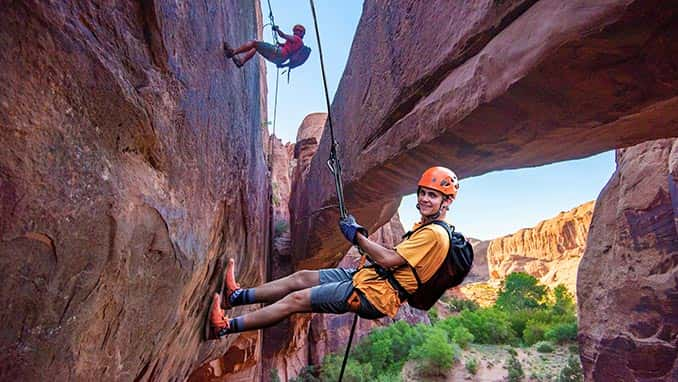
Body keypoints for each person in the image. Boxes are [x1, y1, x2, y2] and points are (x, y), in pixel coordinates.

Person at [208, 166, 460, 338]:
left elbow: (389, 259)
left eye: (434, 196)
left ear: (446, 201)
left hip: (374, 294)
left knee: (294, 301)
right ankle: (237, 296)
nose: (425, 199)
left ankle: (224, 327)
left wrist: (357, 236)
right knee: (302, 277)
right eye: (424, 193)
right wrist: (359, 236)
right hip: (371, 279)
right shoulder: (427, 227)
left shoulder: (434, 234)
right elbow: (395, 263)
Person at [224, 24, 306, 68]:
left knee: (254, 43)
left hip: (279, 53)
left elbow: (283, 35)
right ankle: (241, 61)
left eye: (299, 30)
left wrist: (277, 29)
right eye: (295, 30)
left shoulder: (297, 39)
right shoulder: (299, 45)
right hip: (279, 60)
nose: (296, 32)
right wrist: (282, 65)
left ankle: (233, 52)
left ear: (302, 34)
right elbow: (284, 46)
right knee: (257, 47)